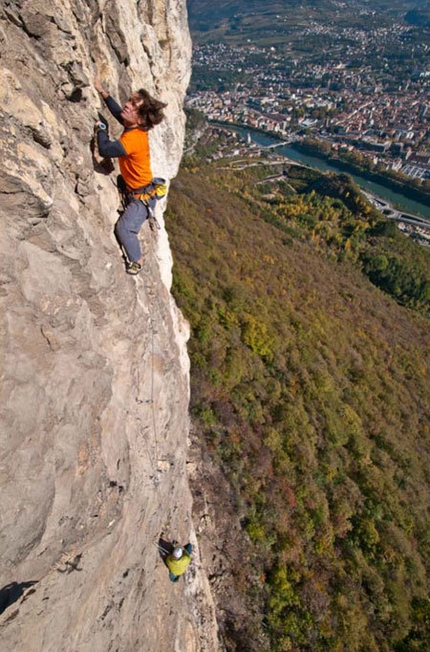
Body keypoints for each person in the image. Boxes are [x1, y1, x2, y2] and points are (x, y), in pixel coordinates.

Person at [94, 78, 167, 274]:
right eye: (130, 100)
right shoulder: (134, 127)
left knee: (124, 229)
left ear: (141, 119)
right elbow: (119, 113)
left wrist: (102, 130)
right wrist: (104, 94)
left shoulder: (134, 139)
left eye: (133, 105)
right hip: (135, 188)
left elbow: (105, 150)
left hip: (142, 199)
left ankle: (137, 260)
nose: (127, 105)